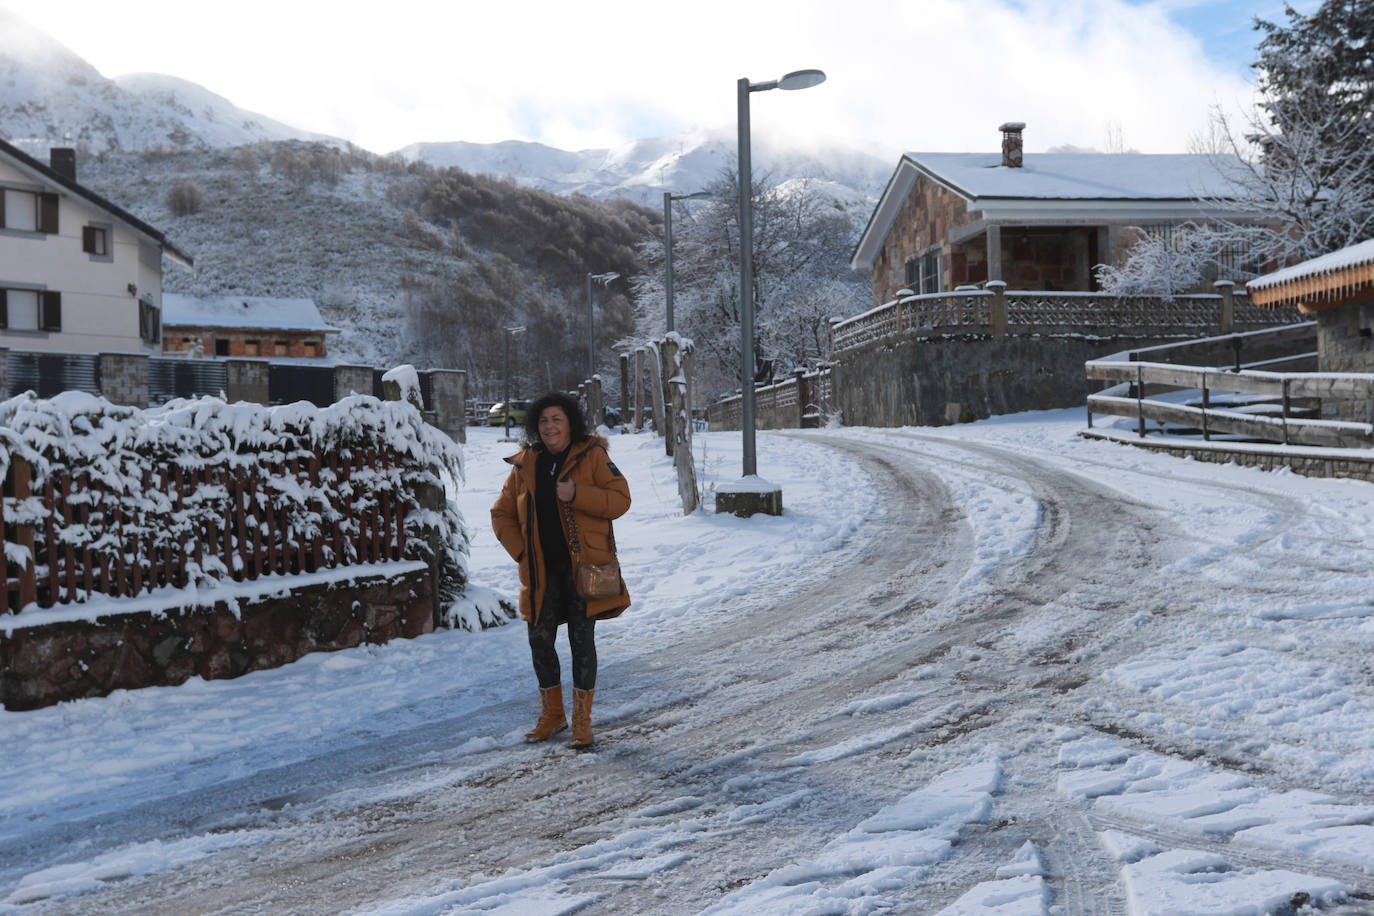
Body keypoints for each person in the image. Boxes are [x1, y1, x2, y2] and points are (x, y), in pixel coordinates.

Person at [491, 392, 631, 749]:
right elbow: (501, 513)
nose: (549, 427)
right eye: (543, 421)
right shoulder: (526, 463)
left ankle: (582, 721)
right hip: (539, 572)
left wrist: (578, 494)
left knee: (581, 642)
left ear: (570, 423)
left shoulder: (592, 455)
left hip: (583, 569)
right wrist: (522, 553)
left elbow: (620, 500)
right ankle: (553, 716)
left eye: (557, 419)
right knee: (539, 640)